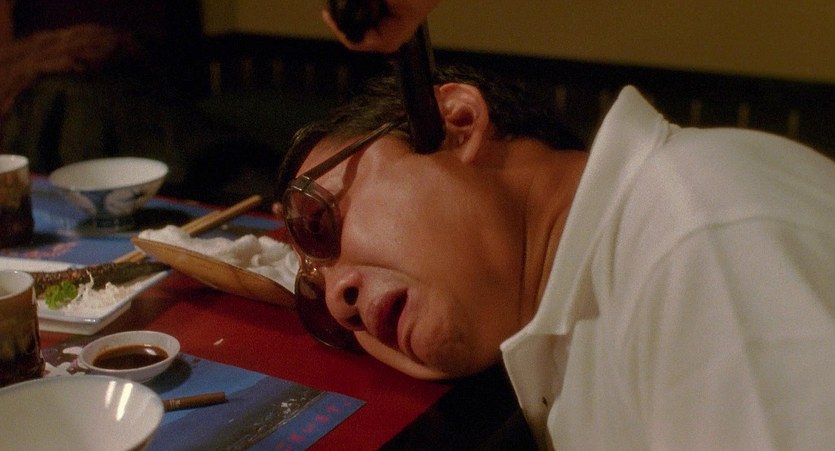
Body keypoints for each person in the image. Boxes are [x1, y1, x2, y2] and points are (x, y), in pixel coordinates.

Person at [271, 3, 835, 449]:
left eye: (318, 222)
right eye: (316, 298)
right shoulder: (567, 327)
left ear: (458, 122)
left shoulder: (695, 234)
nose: (339, 301)